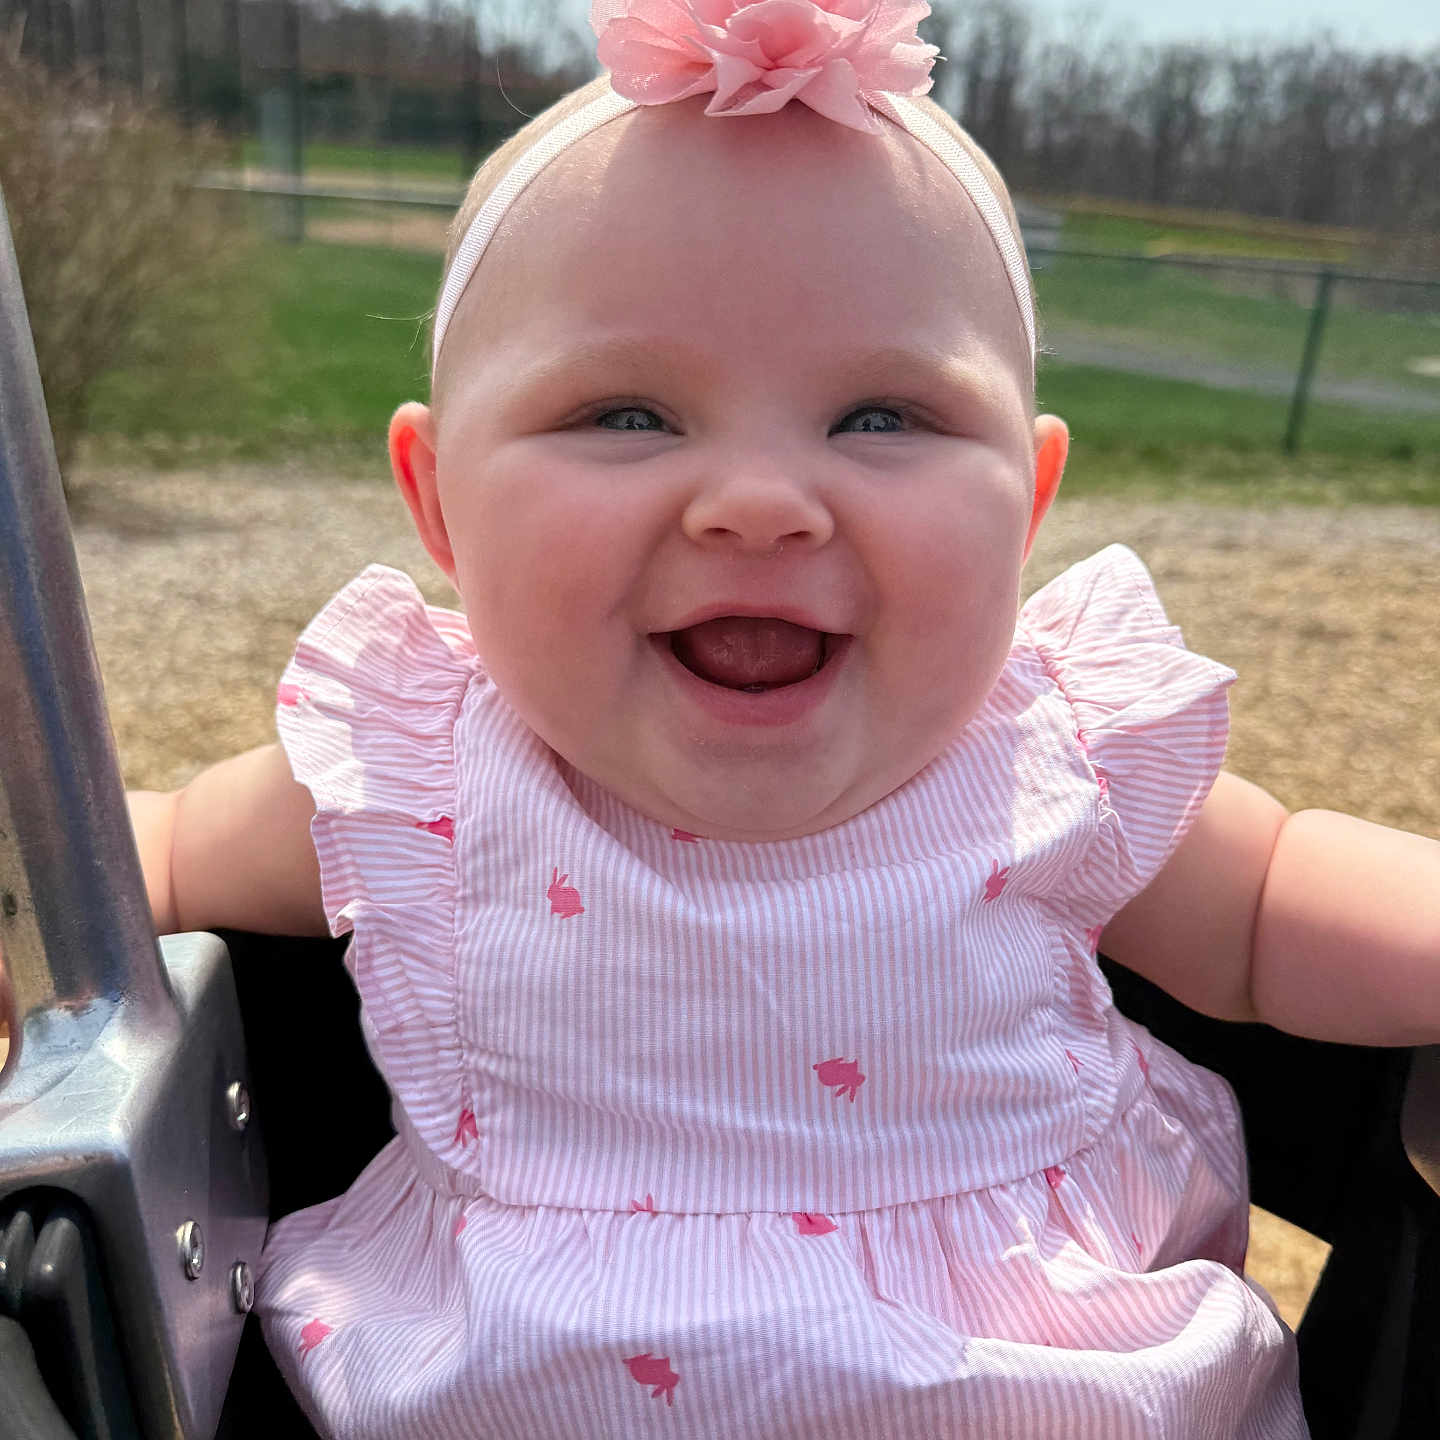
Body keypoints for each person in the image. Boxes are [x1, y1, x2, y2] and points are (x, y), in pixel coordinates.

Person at [125, 3, 1440, 1435]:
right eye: (628, 414)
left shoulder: (1052, 755)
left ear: (1029, 507)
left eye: (882, 416)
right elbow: (148, 859)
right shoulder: (421, 772)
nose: (758, 499)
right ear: (440, 501)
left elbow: (1270, 905)